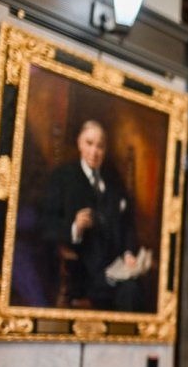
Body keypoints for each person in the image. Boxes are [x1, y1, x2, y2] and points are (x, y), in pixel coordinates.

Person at [41, 119, 143, 312]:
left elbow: (127, 225)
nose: (94, 152)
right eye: (89, 143)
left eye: (100, 146)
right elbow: (47, 225)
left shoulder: (112, 180)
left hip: (116, 270)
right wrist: (75, 227)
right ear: (79, 143)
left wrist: (129, 253)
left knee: (132, 291)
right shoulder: (63, 177)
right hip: (83, 272)